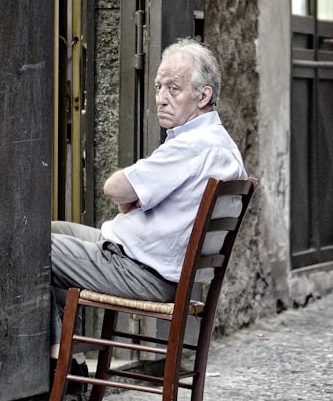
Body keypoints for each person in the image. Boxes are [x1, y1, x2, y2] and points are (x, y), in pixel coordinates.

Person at [49, 38, 247, 356]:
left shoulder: (192, 146)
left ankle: (58, 350)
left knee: (33, 247)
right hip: (143, 262)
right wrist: (133, 198)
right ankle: (63, 342)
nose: (162, 99)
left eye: (173, 88)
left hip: (140, 271)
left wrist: (132, 197)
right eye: (158, 88)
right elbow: (131, 195)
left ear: (203, 95)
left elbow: (114, 188)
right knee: (55, 230)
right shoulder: (220, 145)